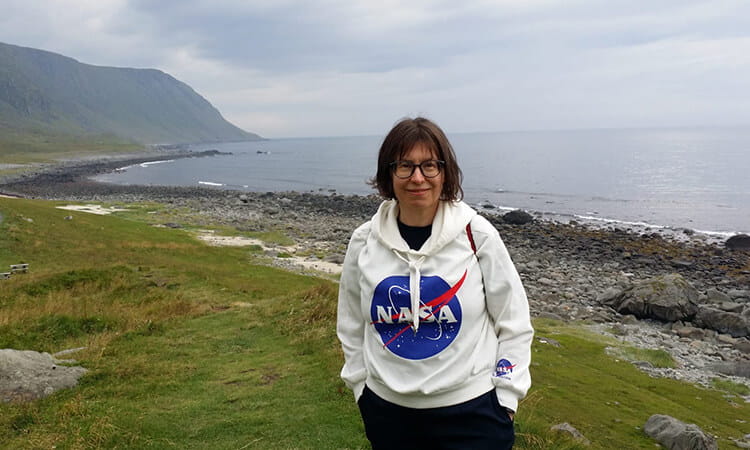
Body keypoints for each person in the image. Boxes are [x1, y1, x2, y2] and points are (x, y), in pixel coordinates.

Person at [336, 117, 534, 449]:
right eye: (405, 166)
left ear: (445, 172)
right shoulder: (364, 241)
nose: (417, 178)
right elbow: (351, 324)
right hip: (388, 415)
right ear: (389, 173)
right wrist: (361, 389)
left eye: (429, 165)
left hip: (475, 415)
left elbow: (513, 322)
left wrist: (507, 396)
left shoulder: (477, 235)